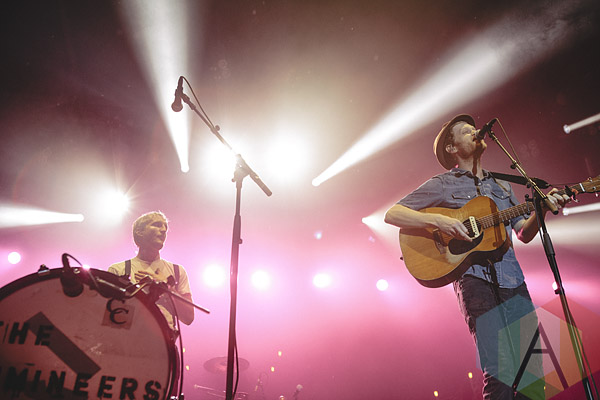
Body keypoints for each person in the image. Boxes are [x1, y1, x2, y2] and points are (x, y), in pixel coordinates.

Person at [384, 114, 570, 399]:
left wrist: (542, 209)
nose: (475, 131)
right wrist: (439, 221)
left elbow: (522, 232)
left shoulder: (503, 186)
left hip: (514, 281)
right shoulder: (443, 184)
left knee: (533, 375)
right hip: (475, 281)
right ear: (451, 148)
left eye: (474, 128)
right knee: (501, 371)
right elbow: (393, 213)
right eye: (466, 130)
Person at [108, 211, 194, 332]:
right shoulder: (118, 270)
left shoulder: (177, 271)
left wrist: (167, 287)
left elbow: (189, 317)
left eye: (165, 227)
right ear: (139, 231)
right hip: (129, 340)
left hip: (165, 342)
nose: (163, 230)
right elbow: (110, 317)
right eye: (157, 225)